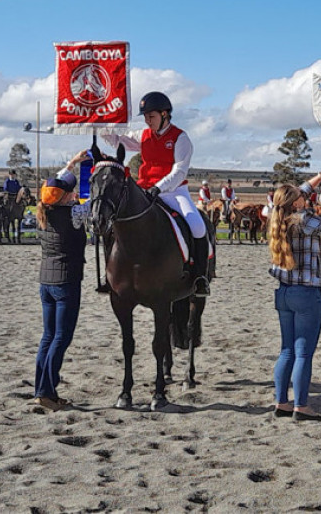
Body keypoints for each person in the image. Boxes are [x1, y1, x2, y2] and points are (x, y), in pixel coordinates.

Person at [102, 91, 210, 296]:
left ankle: (199, 277)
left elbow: (179, 171)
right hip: (145, 190)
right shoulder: (143, 135)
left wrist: (159, 187)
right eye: (145, 117)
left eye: (151, 117)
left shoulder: (181, 138)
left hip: (174, 191)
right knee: (113, 222)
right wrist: (100, 126)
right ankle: (111, 275)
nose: (147, 121)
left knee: (197, 226)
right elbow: (117, 140)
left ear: (165, 115)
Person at [269, 165, 321, 421]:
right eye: (300, 195)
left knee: (287, 351)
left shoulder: (280, 216)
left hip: (284, 292)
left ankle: (282, 402)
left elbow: (300, 191)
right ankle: (302, 405)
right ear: (296, 203)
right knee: (304, 352)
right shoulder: (305, 219)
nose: (305, 194)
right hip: (307, 294)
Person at [33, 150, 91, 412]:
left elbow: (54, 186)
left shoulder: (43, 212)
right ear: (68, 195)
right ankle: (46, 391)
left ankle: (43, 390)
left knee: (48, 337)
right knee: (61, 338)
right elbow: (95, 197)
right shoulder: (75, 214)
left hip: (46, 281)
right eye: (72, 191)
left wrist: (72, 164)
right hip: (67, 281)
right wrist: (90, 168)